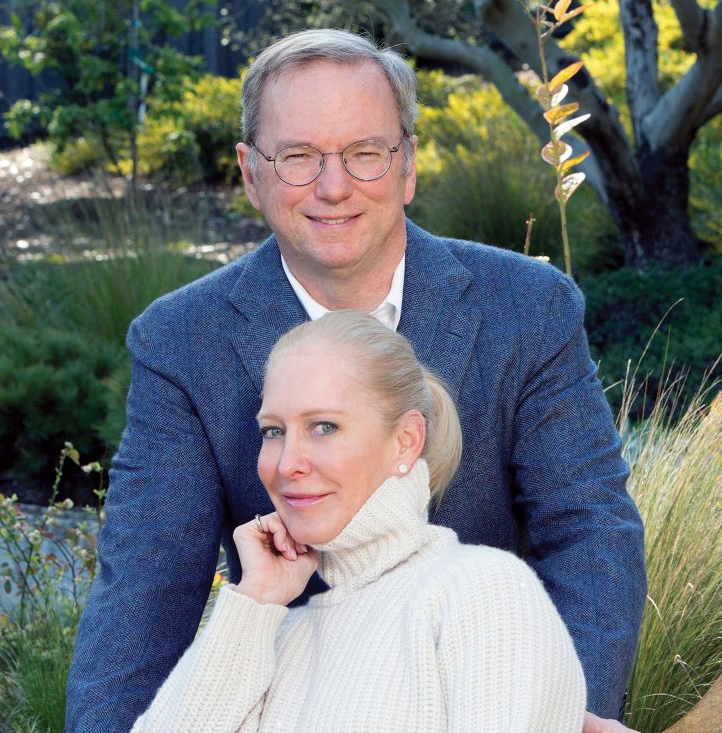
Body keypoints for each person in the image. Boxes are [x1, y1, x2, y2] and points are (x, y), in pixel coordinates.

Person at [66, 28, 647, 733]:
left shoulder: (527, 306)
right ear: (251, 173)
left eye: (364, 153)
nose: (333, 187)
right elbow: (146, 592)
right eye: (299, 157)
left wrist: (567, 711)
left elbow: (588, 527)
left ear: (405, 167)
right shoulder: (182, 341)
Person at [130, 310, 587, 733]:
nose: (288, 462)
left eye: (323, 426)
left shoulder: (482, 592)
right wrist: (256, 599)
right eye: (273, 431)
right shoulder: (279, 637)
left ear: (406, 441)